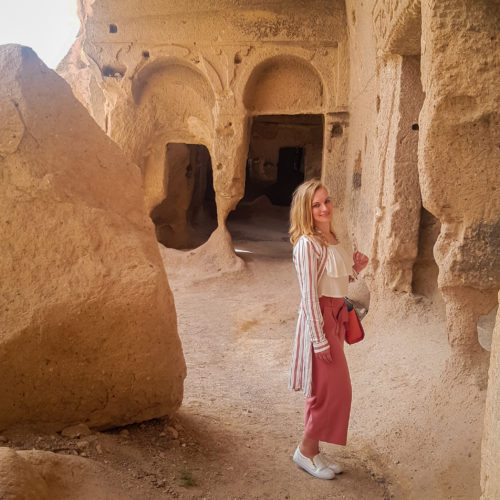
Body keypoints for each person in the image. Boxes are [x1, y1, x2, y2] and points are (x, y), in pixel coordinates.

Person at [288, 179, 368, 480]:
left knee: (328, 389)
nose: (324, 208)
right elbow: (309, 294)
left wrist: (357, 268)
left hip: (336, 316)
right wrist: (318, 339)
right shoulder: (307, 244)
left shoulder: (330, 238)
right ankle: (305, 451)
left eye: (327, 201)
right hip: (320, 320)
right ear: (306, 211)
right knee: (333, 391)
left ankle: (313, 451)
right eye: (316, 204)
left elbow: (334, 282)